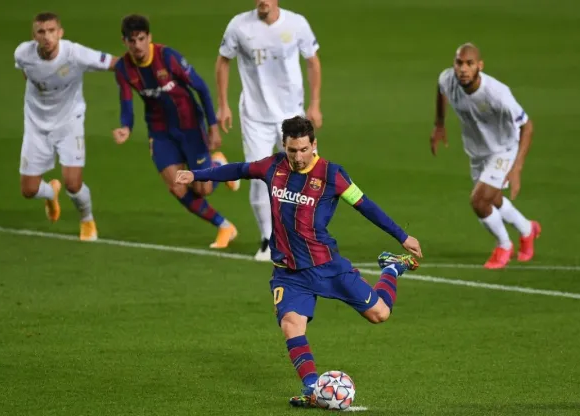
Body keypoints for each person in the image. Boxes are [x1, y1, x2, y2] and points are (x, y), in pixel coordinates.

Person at [175, 116, 422, 407]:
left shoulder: (333, 175)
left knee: (379, 314)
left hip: (327, 266)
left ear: (314, 145)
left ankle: (392, 267)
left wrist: (402, 236)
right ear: (285, 145)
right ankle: (313, 390)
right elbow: (239, 169)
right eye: (292, 150)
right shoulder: (272, 166)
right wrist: (196, 175)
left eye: (304, 149)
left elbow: (365, 206)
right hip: (288, 272)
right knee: (291, 324)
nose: (298, 157)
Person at [113, 14, 239, 249]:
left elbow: (200, 87)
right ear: (125, 41)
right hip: (160, 132)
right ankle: (224, 226)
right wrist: (125, 127)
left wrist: (212, 126)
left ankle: (219, 165)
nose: (137, 45)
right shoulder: (123, 68)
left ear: (149, 37)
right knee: (177, 186)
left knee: (203, 189)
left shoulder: (167, 57)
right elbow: (126, 102)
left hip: (190, 126)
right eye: (132, 41)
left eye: (141, 39)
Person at [216, 0, 322, 260]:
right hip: (255, 115)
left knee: (305, 174)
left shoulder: (297, 23)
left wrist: (315, 104)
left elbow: (313, 62)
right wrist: (223, 105)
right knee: (259, 176)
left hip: (292, 113)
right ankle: (268, 240)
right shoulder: (239, 25)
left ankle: (305, 236)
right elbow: (223, 61)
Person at [431, 43, 541, 269]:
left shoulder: (497, 94)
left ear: (479, 66)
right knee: (492, 198)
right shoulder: (448, 79)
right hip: (478, 152)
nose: (463, 69)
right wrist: (439, 124)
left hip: (503, 149)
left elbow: (527, 126)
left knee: (479, 201)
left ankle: (504, 246)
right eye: (459, 63)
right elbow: (441, 89)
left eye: (469, 64)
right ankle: (528, 230)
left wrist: (517, 167)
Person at [14, 12, 118, 241]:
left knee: (73, 183)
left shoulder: (75, 54)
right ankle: (51, 193)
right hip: (36, 124)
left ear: (60, 33)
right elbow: (27, 73)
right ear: (34, 36)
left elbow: (114, 64)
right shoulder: (23, 53)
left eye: (52, 31)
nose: (47, 36)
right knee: (28, 190)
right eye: (41, 32)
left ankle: (87, 219)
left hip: (69, 122)